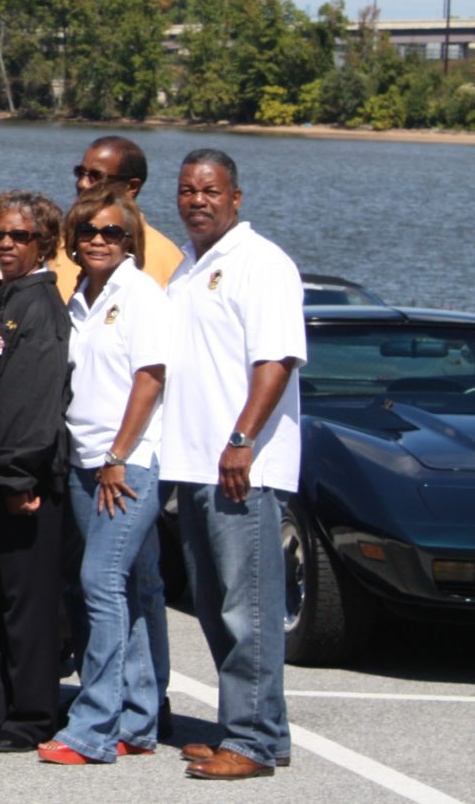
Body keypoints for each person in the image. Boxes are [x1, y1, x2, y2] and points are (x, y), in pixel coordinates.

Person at [162, 149, 305, 781]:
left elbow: (276, 361)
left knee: (248, 610)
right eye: (188, 190)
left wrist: (243, 438)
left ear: (236, 197)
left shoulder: (261, 263)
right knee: (215, 605)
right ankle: (260, 732)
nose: (197, 200)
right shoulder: (187, 268)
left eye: (211, 190)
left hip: (240, 466)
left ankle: (247, 743)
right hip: (192, 464)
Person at [39, 188, 170, 766]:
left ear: (130, 240)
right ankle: (138, 722)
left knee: (101, 585)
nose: (99, 240)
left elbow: (150, 379)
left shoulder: (140, 294)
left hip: (126, 465)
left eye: (113, 232)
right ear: (73, 238)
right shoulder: (79, 298)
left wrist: (118, 453)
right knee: (134, 592)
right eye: (89, 230)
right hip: (84, 462)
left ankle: (92, 728)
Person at [0, 190, 71, 754]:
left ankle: (31, 716)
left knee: (27, 604)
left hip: (22, 482)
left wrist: (18, 477)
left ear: (45, 242)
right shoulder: (5, 299)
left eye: (20, 236)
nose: (6, 244)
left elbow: (32, 403)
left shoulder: (39, 306)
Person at [52, 136, 183, 297]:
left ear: (132, 187)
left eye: (96, 176)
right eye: (80, 173)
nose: (82, 183)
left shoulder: (163, 256)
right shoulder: (62, 240)